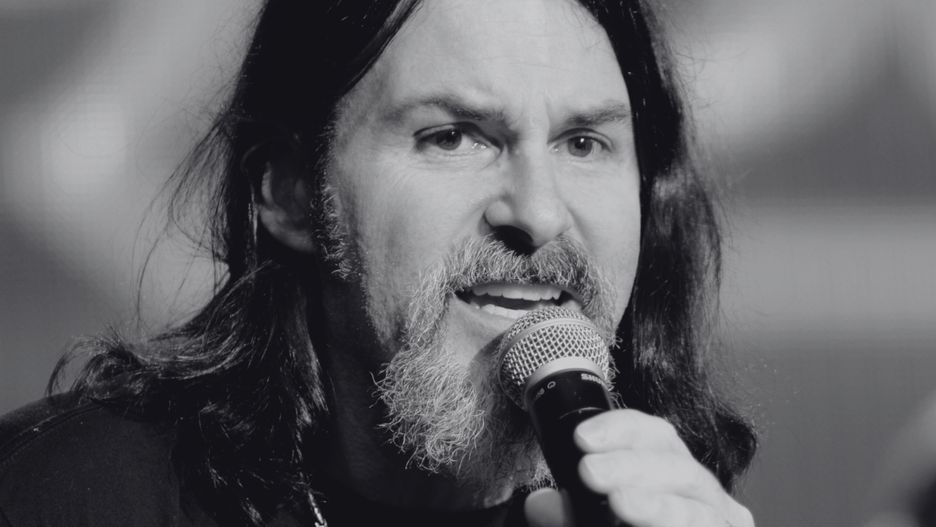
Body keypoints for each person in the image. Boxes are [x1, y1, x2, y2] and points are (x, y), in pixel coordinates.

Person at [0, 1, 757, 526]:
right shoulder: (74, 498)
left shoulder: (658, 508)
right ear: (291, 192)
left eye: (583, 143)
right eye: (453, 137)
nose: (538, 212)